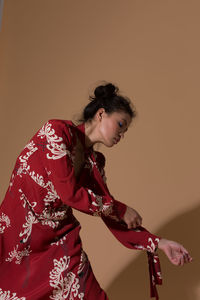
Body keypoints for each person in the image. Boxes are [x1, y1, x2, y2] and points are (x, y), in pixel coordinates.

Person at [0, 82, 192, 300]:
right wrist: (120, 209)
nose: (122, 134)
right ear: (101, 114)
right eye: (120, 124)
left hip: (60, 243)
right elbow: (70, 193)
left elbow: (108, 212)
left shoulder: (95, 164)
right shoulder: (56, 132)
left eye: (125, 130)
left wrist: (159, 242)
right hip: (17, 238)